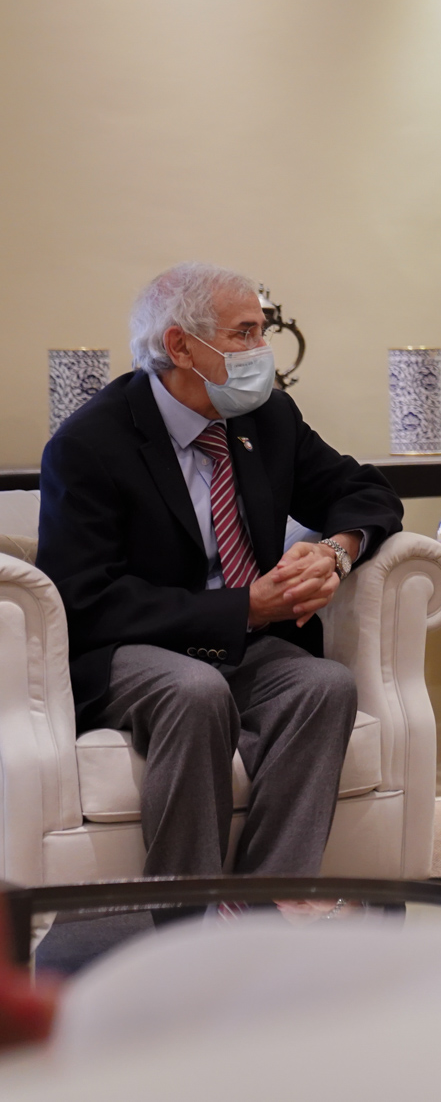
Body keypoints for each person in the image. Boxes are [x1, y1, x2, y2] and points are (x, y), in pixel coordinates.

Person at [37, 263, 404, 879]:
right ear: (180, 346)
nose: (262, 351)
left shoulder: (268, 418)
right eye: (243, 334)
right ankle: (186, 914)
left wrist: (335, 553)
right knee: (196, 690)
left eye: (263, 331)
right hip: (130, 650)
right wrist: (246, 608)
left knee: (324, 684)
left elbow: (365, 491)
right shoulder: (90, 443)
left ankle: (271, 904)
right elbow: (85, 599)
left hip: (243, 644)